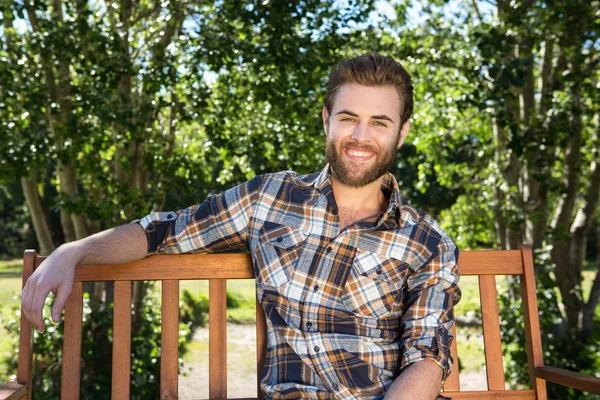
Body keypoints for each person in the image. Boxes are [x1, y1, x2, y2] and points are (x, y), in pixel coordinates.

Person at [21, 53, 461, 400]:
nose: (360, 136)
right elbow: (164, 232)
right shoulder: (268, 199)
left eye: (379, 123)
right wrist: (72, 251)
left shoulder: (428, 242)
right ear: (326, 119)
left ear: (401, 132)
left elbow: (426, 358)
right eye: (348, 117)